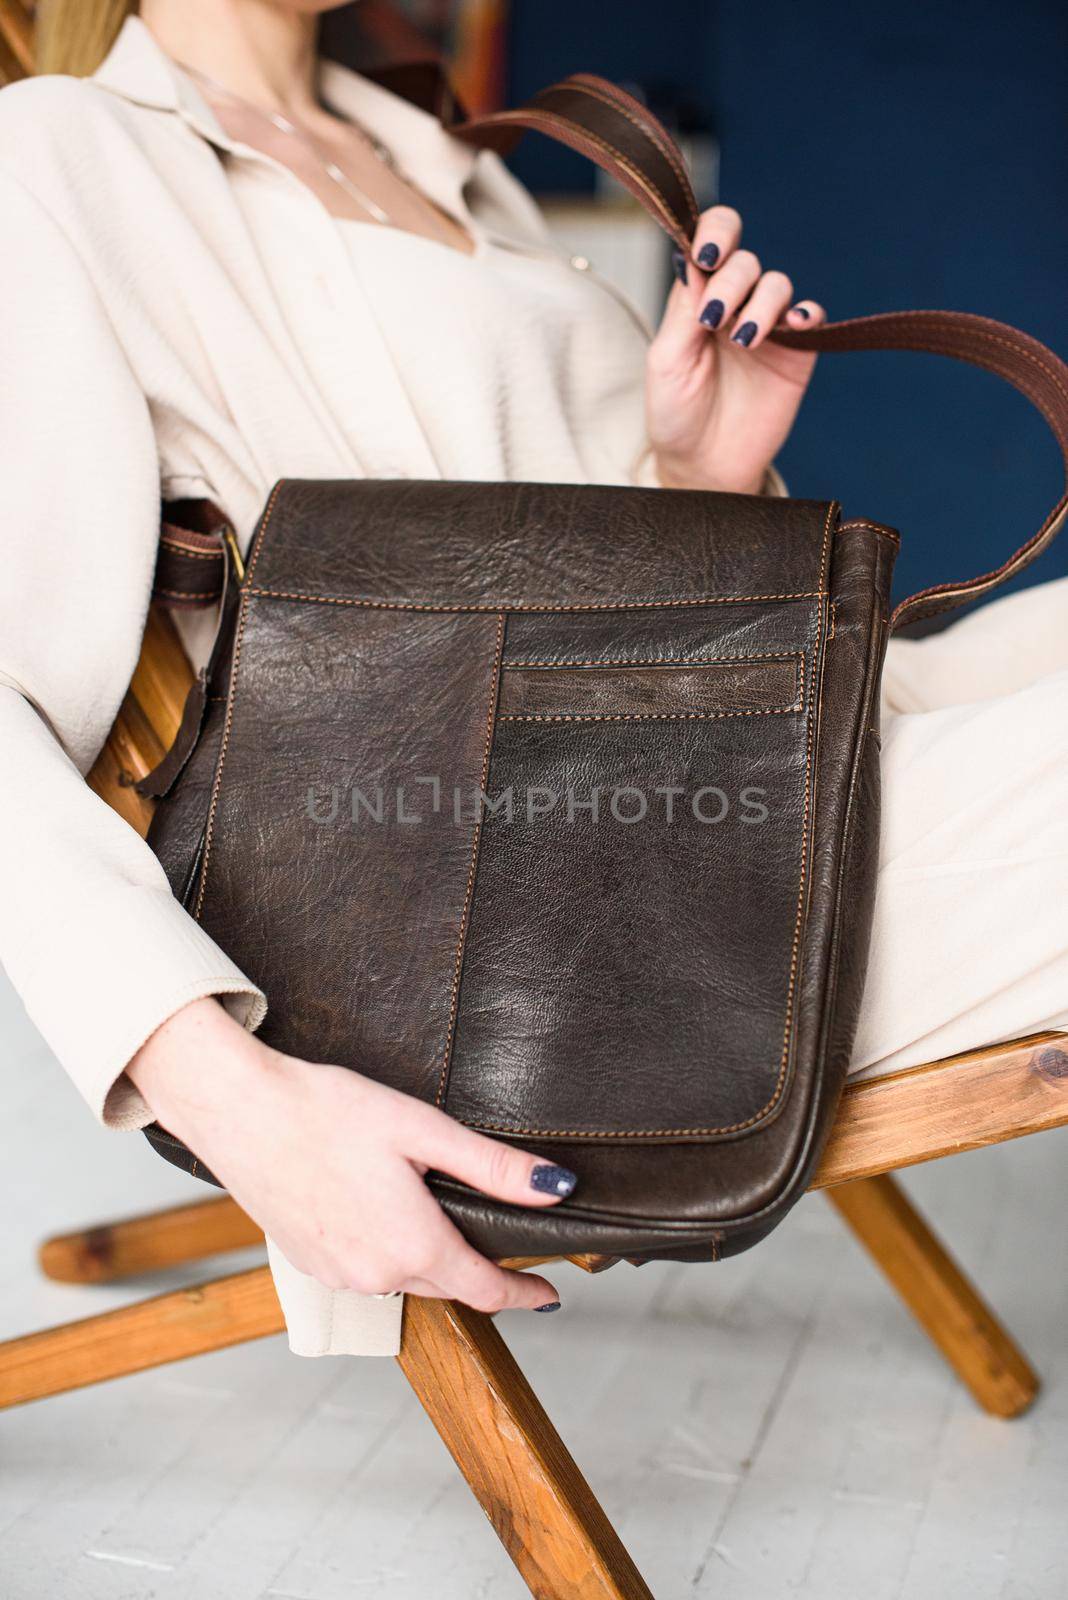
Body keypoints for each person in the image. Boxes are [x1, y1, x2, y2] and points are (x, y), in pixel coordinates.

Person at [2, 0, 1065, 1359]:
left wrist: (693, 478)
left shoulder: (441, 151)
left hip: (708, 760)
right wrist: (240, 1104)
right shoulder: (61, 156)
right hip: (536, 897)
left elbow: (549, 594)